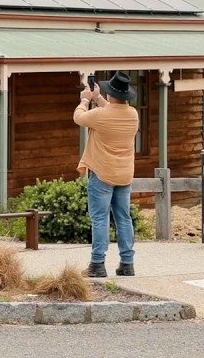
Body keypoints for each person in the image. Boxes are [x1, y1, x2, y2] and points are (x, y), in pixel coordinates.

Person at [74, 70, 140, 278]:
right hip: (124, 174)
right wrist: (98, 98)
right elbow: (111, 111)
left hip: (102, 173)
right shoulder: (133, 115)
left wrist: (85, 100)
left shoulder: (101, 116)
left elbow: (79, 118)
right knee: (124, 218)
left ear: (112, 94)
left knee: (100, 219)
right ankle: (127, 263)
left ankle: (97, 263)